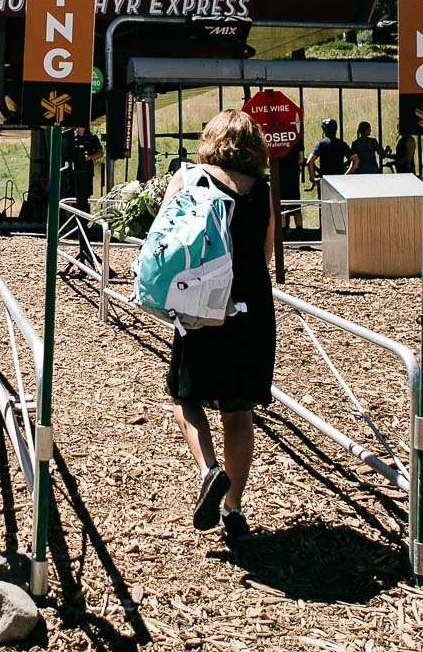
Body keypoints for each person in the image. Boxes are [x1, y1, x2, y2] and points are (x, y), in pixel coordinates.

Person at [163, 109, 276, 543]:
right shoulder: (262, 190)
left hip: (200, 304)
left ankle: (209, 470)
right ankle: (233, 510)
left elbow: (166, 241)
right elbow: (266, 253)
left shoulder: (188, 179)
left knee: (184, 394)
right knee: (239, 411)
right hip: (251, 309)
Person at [61, 123, 104, 209]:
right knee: (70, 196)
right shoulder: (67, 135)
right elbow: (61, 153)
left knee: (85, 195)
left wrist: (89, 157)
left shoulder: (92, 137)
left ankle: (84, 217)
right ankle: (68, 220)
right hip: (71, 170)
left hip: (86, 171)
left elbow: (101, 153)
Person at [306, 119, 351, 194]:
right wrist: (345, 175)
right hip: (339, 180)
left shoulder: (320, 144)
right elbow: (355, 160)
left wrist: (312, 178)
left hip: (325, 179)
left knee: (323, 203)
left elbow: (309, 161)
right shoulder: (341, 144)